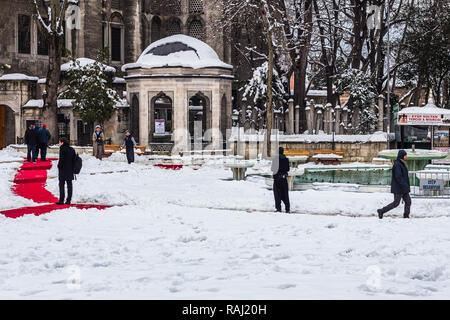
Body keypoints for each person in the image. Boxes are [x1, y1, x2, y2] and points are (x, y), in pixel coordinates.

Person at [377, 149, 411, 219]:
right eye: (405, 155)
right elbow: (398, 177)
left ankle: (406, 216)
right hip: (399, 188)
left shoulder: (402, 163)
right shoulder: (397, 165)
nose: (406, 157)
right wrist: (404, 184)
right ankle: (381, 211)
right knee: (396, 203)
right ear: (402, 156)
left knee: (408, 201)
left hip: (403, 188)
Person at [56, 137, 76, 205]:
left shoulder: (62, 148)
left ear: (62, 142)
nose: (58, 144)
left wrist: (59, 166)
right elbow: (74, 160)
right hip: (70, 169)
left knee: (61, 184)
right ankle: (68, 200)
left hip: (63, 170)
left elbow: (61, 159)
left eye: (59, 142)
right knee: (69, 185)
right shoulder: (72, 149)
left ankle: (61, 200)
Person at [271, 147, 291, 213]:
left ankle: (278, 208)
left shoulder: (275, 159)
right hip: (284, 178)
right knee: (285, 194)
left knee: (277, 194)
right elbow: (288, 169)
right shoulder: (286, 159)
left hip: (277, 178)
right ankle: (287, 208)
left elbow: (272, 169)